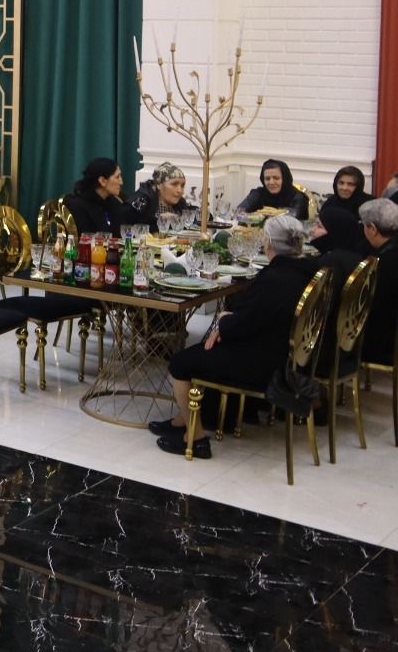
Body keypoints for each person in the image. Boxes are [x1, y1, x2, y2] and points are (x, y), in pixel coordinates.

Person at [154, 214, 320, 458]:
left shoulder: (275, 278)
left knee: (180, 363)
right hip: (284, 354)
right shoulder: (306, 271)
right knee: (205, 346)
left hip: (263, 363)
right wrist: (227, 326)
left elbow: (247, 321)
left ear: (268, 242)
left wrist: (224, 322)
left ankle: (195, 438)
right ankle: (183, 420)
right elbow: (258, 316)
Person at [358, 198, 397, 370]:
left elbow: (373, 305)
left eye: (363, 225)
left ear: (372, 228)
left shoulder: (383, 262)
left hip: (383, 342)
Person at [63, 158, 134, 236]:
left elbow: (125, 232)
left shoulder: (113, 202)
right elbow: (86, 238)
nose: (121, 182)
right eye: (117, 177)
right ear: (102, 181)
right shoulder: (77, 206)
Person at [236, 159, 309, 220]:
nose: (271, 182)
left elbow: (293, 222)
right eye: (267, 179)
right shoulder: (258, 194)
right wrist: (256, 217)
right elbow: (237, 214)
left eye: (276, 178)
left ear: (285, 179)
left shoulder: (299, 198)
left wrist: (266, 216)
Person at [128, 162, 197, 226]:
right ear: (159, 185)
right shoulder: (142, 199)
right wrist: (159, 219)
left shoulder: (180, 202)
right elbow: (130, 223)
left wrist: (178, 219)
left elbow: (194, 217)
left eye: (182, 186)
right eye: (174, 184)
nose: (180, 190)